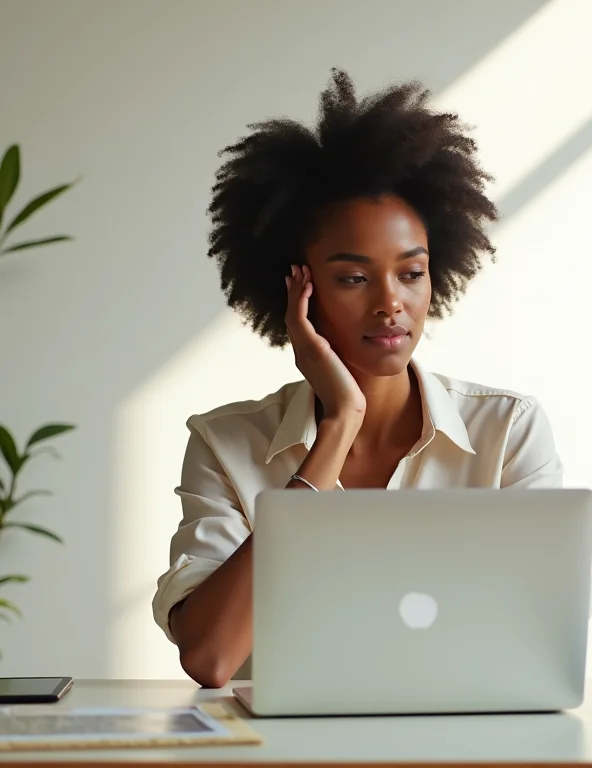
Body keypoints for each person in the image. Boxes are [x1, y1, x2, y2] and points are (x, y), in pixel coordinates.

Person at [152, 69, 563, 688]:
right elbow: (211, 658)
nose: (390, 303)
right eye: (352, 277)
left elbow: (545, 637)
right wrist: (336, 429)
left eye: (411, 272)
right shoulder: (225, 444)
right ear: (297, 290)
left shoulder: (507, 431)